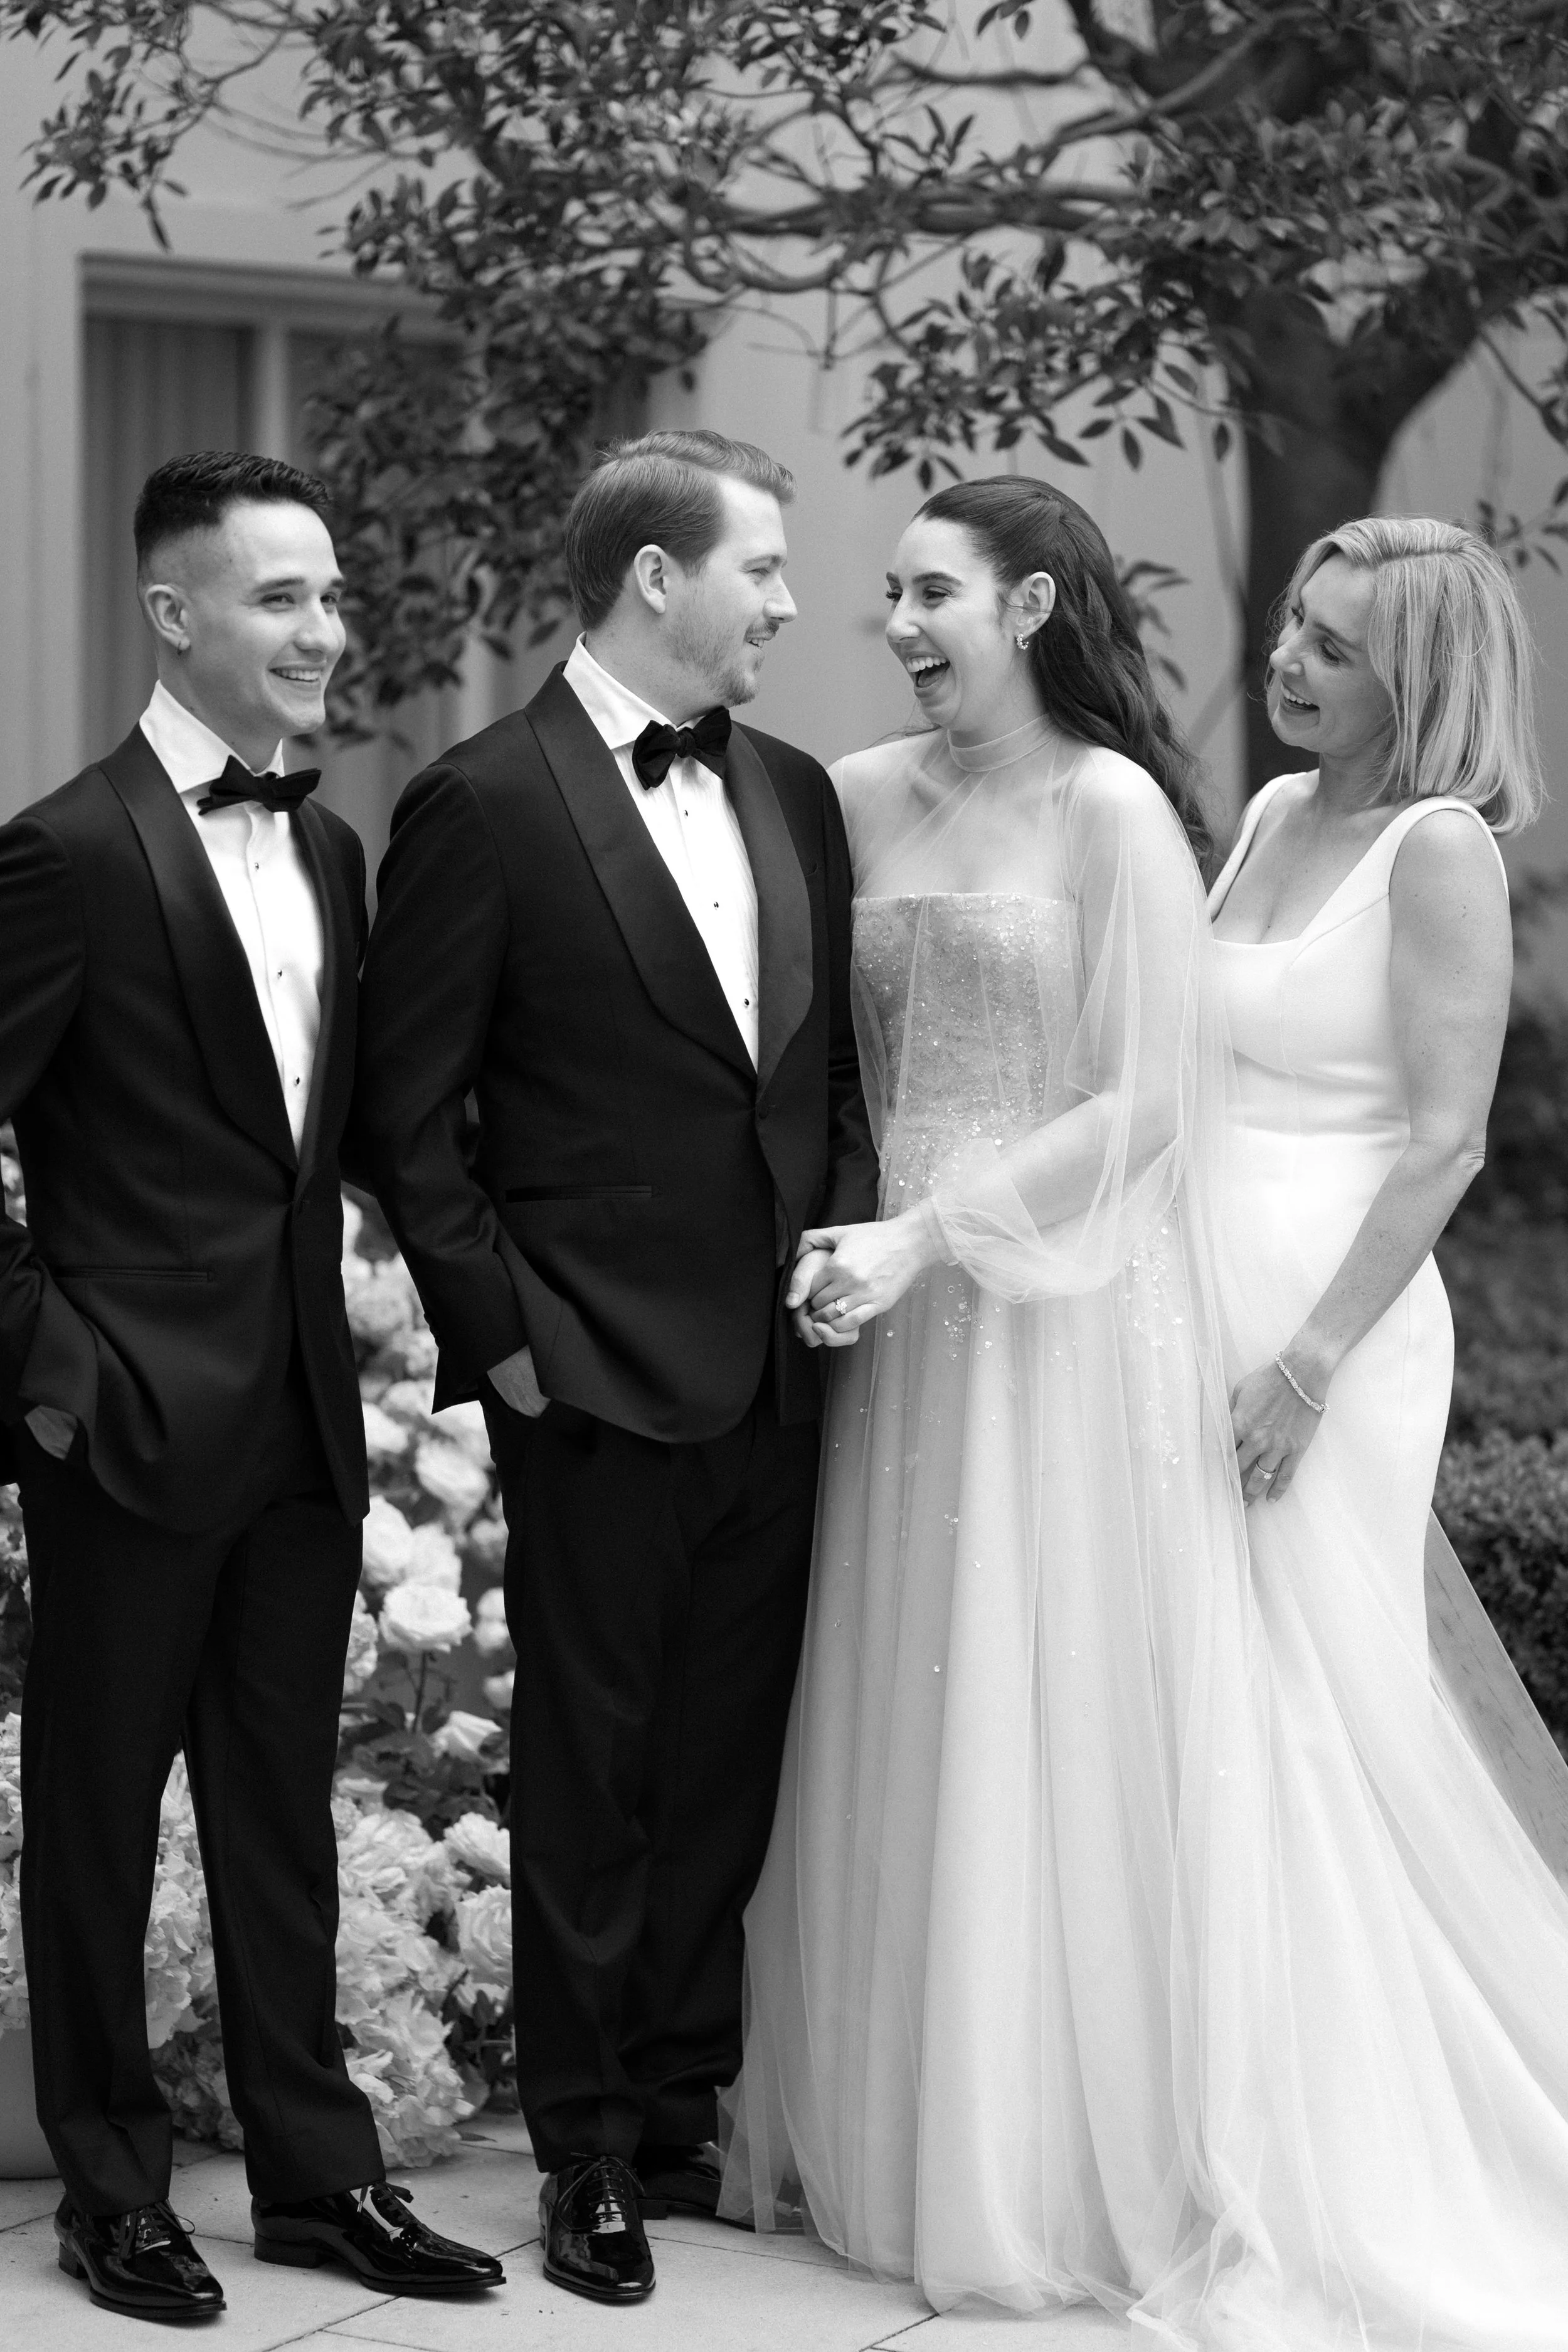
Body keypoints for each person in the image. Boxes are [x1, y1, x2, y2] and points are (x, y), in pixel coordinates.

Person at [723, 487, 1568, 2349]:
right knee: (1193, 1710)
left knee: (1309, 1720)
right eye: (1291, 627)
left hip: (1323, 1316)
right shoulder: (1270, 812)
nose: (1286, 660)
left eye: (1333, 647)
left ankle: (1330, 2132)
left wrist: (1307, 1361)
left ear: (1414, 675)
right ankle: (1170, 2107)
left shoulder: (1432, 848)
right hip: (1167, 1280)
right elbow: (1161, 1048)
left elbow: (1444, 1139)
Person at [354, 428, 879, 2306]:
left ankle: (675, 2103)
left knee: (728, 1760)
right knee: (592, 1767)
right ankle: (578, 2143)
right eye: (764, 565)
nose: (792, 604)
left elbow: (819, 1078)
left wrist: (842, 1240)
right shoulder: (481, 802)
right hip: (587, 1372)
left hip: (778, 1365)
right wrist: (512, 1351)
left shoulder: (802, 795)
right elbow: (409, 1121)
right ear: (656, 577)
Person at [0, 452, 502, 2323]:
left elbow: (351, 1134)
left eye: (330, 595)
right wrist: (52, 1373)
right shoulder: (61, 852)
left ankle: (315, 2178)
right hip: (122, 1428)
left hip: (299, 1419)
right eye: (282, 597)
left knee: (278, 1812)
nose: (325, 631)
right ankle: (111, 2190)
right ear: (173, 616)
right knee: (102, 1815)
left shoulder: (335, 846)